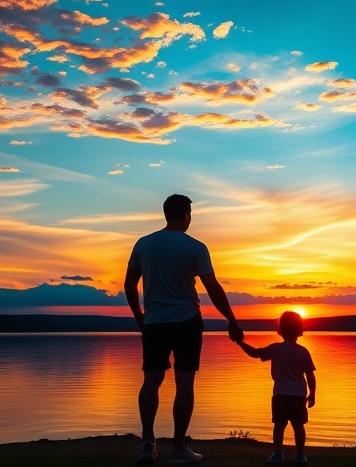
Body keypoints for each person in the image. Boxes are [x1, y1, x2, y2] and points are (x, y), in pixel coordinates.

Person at [124, 194, 245, 465]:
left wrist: (139, 318)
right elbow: (212, 287)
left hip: (154, 322)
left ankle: (147, 443)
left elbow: (129, 284)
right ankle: (178, 447)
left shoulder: (144, 244)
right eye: (190, 213)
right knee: (184, 384)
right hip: (187, 321)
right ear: (186, 215)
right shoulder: (196, 247)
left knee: (151, 381)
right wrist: (232, 320)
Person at [237, 311, 316, 466]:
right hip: (298, 395)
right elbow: (310, 376)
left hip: (280, 394)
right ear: (299, 330)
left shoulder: (276, 349)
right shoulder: (303, 351)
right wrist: (312, 393)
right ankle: (300, 454)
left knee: (279, 425)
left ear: (280, 330)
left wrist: (241, 343)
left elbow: (255, 353)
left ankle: (278, 454)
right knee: (298, 426)